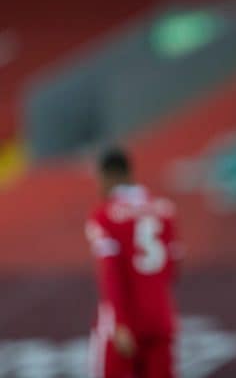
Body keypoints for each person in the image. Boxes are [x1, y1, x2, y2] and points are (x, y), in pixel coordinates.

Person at [86, 147, 180, 378]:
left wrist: (119, 322)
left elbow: (110, 272)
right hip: (160, 316)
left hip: (124, 321)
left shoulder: (104, 216)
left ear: (109, 176)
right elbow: (173, 266)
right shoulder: (164, 210)